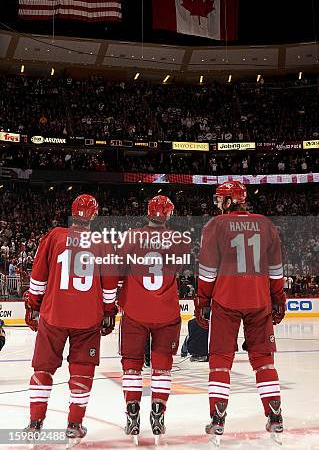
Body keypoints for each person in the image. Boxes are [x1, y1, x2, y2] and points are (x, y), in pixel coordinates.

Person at [196, 181, 286, 445]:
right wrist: (278, 297)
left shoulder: (215, 225)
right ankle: (275, 415)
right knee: (264, 362)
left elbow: (207, 271)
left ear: (229, 201)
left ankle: (218, 419)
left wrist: (203, 300)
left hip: (226, 302)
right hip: (259, 301)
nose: (217, 204)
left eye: (220, 199)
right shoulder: (266, 224)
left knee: (220, 362)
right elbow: (276, 269)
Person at [24, 194, 118, 444]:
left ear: (72, 212)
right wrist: (108, 312)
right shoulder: (102, 242)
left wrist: (33, 304)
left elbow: (38, 277)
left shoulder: (55, 235)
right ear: (94, 216)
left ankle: (35, 422)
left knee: (43, 368)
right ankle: (74, 424)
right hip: (88, 319)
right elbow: (109, 287)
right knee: (82, 371)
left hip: (53, 314)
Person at [116, 195, 185, 443]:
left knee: (132, 365)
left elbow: (119, 268)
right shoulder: (178, 239)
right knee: (162, 367)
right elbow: (177, 269)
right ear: (167, 214)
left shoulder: (132, 236)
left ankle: (133, 414)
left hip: (135, 310)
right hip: (166, 311)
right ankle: (158, 412)